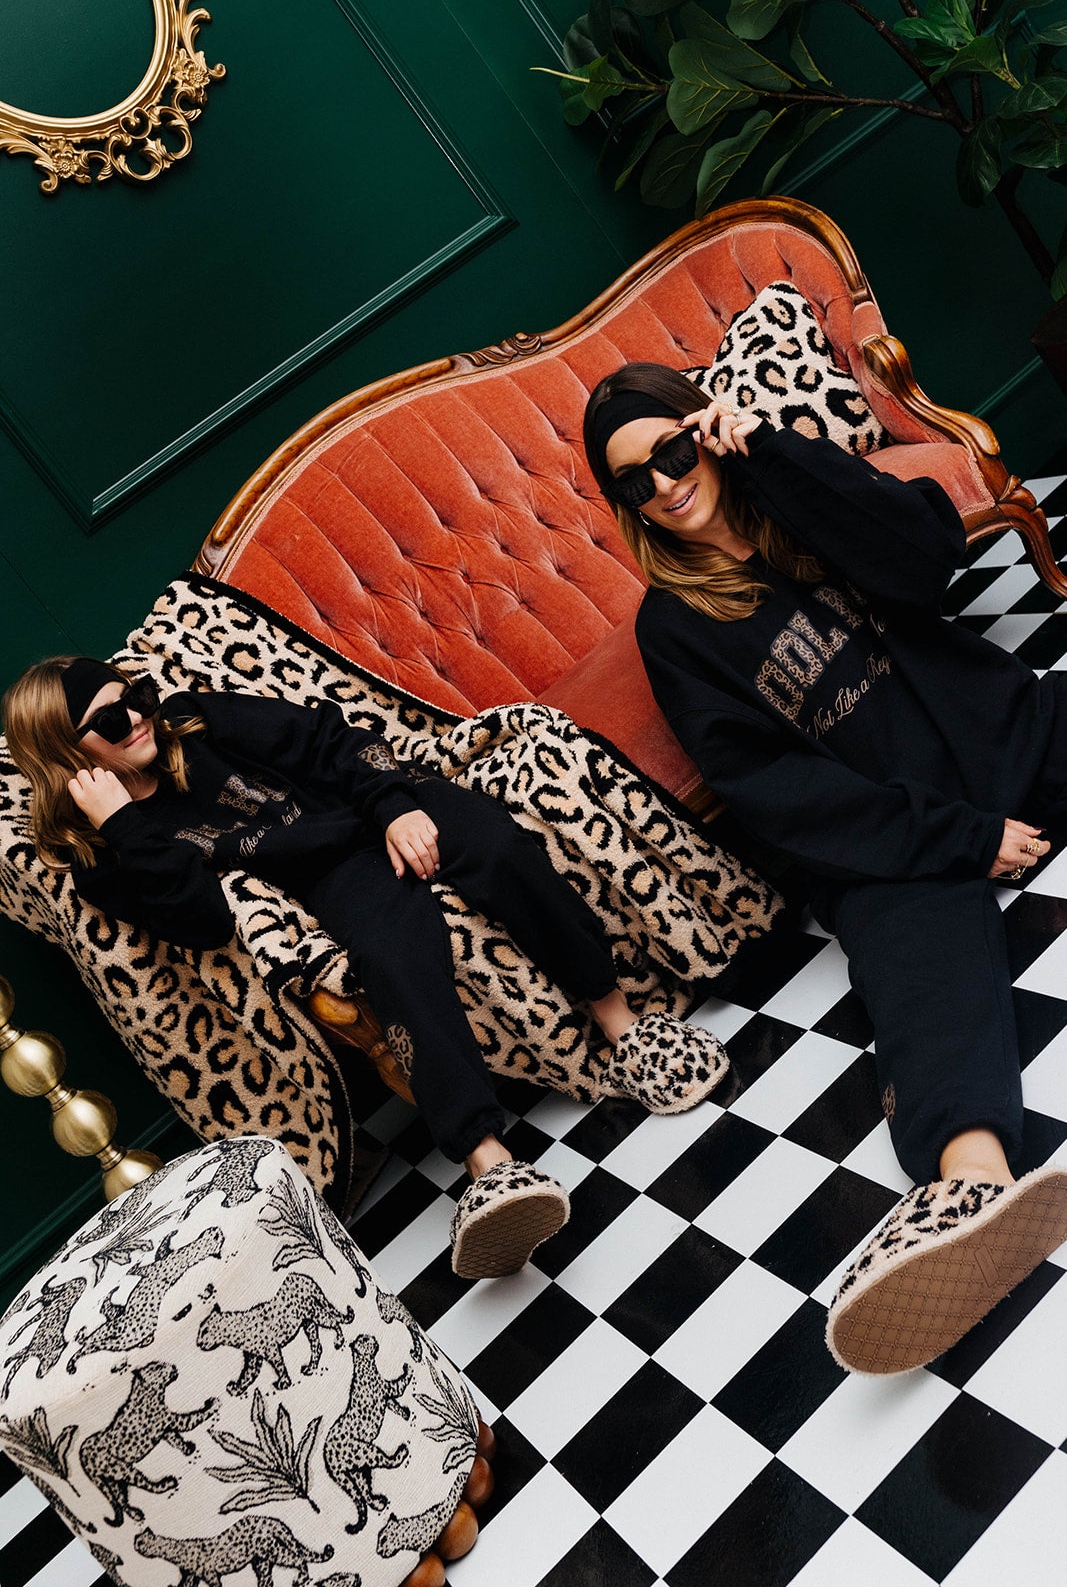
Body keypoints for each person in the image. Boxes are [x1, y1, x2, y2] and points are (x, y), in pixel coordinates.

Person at [583, 360, 1067, 1375]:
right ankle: (967, 1190)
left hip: (997, 735)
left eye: (672, 449)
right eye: (633, 479)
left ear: (703, 428)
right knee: (915, 966)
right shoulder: (672, 628)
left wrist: (770, 450)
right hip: (885, 839)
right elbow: (776, 793)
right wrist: (956, 838)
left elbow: (925, 551)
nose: (664, 482)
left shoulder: (792, 496)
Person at [3, 656, 728, 1281]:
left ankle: (624, 1027)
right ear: (68, 755)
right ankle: (489, 1163)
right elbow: (199, 920)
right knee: (391, 960)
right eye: (108, 721)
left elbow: (326, 741)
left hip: (375, 808)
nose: (135, 719)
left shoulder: (192, 722)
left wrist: (390, 809)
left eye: (134, 697)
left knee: (503, 852)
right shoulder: (100, 854)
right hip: (333, 876)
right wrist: (123, 823)